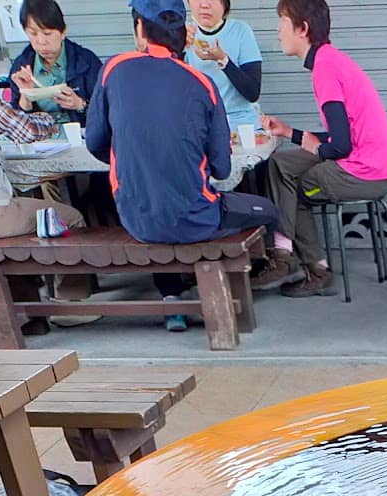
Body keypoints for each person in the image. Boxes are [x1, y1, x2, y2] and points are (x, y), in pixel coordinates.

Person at [85, 0, 277, 328]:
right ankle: (228, 292)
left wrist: (133, 159)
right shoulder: (202, 84)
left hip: (136, 220)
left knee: (155, 197)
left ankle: (172, 295)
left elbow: (95, 142)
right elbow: (222, 169)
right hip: (197, 220)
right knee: (268, 211)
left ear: (140, 29)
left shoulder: (113, 70)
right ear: (184, 36)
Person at [256, 0, 387, 297]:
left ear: (302, 29)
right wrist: (287, 132)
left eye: (282, 22)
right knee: (280, 165)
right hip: (368, 162)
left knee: (295, 184)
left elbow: (340, 146)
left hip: (364, 172)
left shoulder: (324, 69)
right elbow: (339, 135)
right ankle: (288, 255)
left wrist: (313, 150)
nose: (278, 31)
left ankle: (299, 263)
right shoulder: (329, 60)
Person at [0, 6, 83, 240]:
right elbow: (22, 129)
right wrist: (48, 121)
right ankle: (68, 277)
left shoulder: (82, 58)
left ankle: (24, 279)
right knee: (71, 217)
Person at [8, 0, 102, 125]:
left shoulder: (87, 62)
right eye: (33, 34)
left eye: (48, 33)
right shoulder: (21, 67)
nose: (41, 41)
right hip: (40, 140)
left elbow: (107, 111)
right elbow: (16, 123)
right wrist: (25, 96)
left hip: (81, 138)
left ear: (63, 32)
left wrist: (80, 104)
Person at [187, 0, 261, 130]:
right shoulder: (184, 35)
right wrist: (178, 49)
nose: (204, 5)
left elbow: (253, 93)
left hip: (241, 124)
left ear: (225, 4)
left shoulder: (240, 31)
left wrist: (223, 60)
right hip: (200, 125)